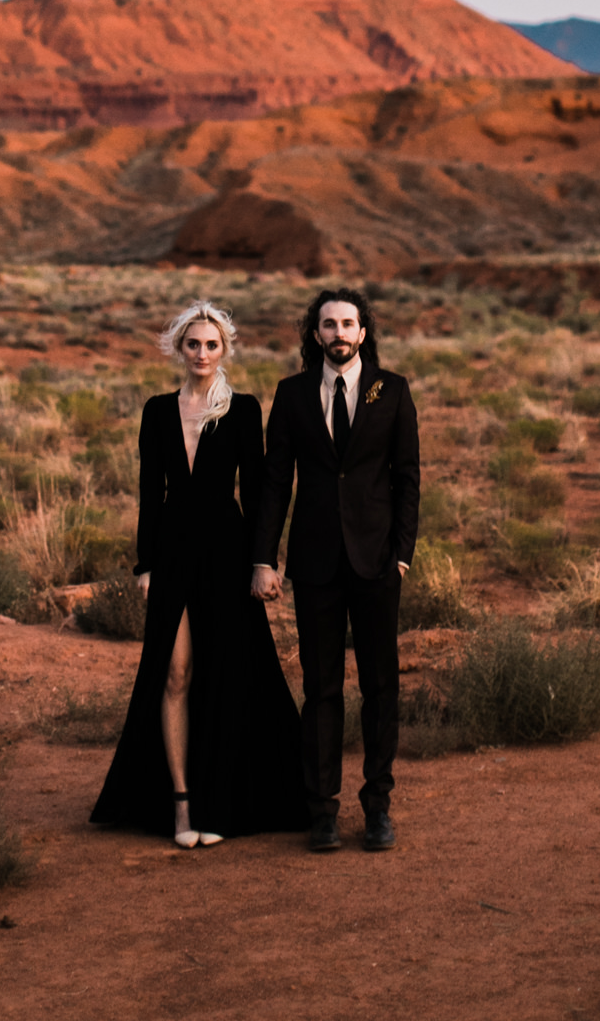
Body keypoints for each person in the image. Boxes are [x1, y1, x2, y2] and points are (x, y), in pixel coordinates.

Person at [90, 301, 308, 847]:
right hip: (171, 554)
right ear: (179, 349)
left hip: (228, 552)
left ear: (224, 350)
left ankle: (219, 804)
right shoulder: (157, 411)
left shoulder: (243, 408)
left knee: (225, 675)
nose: (203, 353)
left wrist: (264, 561)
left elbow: (257, 492)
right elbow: (149, 492)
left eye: (212, 345)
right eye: (194, 344)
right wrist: (145, 565)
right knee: (175, 673)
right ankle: (182, 805)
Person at [252, 287, 420, 853]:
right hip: (317, 560)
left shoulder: (392, 391)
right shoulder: (293, 394)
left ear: (363, 332)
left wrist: (401, 554)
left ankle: (378, 807)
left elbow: (407, 479)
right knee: (321, 689)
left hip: (376, 562)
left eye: (348, 324)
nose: (339, 333)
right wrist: (264, 557)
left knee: (380, 686)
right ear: (315, 333)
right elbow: (276, 481)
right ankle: (322, 811)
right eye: (329, 325)